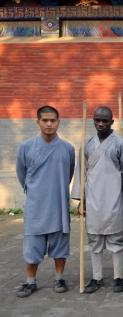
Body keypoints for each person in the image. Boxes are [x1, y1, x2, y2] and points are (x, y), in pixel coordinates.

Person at [15, 105, 75, 298]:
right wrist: (35, 191)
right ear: (37, 122)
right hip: (36, 207)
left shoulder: (67, 148)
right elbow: (21, 175)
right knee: (33, 246)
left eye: (53, 120)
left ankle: (59, 278)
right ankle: (30, 281)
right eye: (45, 120)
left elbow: (69, 173)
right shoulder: (26, 147)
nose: (49, 124)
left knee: (60, 246)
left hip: (58, 204)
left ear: (58, 122)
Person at [72, 106, 123, 294]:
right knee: (94, 242)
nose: (101, 123)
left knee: (116, 241)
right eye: (98, 120)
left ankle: (118, 278)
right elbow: (81, 173)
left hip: (113, 199)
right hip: (93, 200)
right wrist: (82, 199)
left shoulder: (121, 144)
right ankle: (96, 278)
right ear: (93, 121)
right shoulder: (87, 144)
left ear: (112, 122)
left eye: (105, 120)